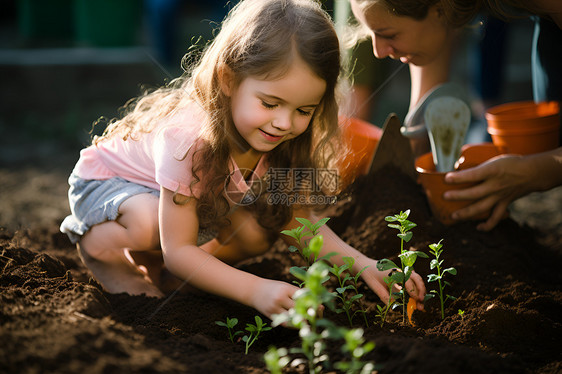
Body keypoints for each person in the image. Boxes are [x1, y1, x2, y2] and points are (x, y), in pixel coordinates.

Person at [60, 0, 426, 320]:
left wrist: (363, 265)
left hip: (177, 196)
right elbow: (180, 250)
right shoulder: (188, 142)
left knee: (257, 230)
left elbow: (297, 221)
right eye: (269, 103)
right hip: (109, 184)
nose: (284, 123)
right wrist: (255, 290)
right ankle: (99, 250)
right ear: (228, 79)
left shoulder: (283, 137)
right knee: (146, 224)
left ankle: (160, 269)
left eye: (304, 110)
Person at [348, 0, 473, 157]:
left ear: (442, 8)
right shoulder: (434, 20)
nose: (378, 52)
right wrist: (413, 145)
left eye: (389, 35)